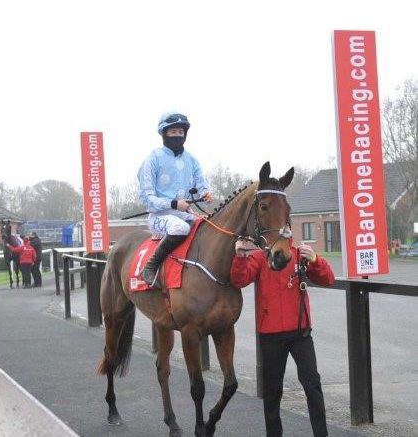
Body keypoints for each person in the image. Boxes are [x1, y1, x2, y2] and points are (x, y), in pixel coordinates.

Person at [230, 239, 335, 437]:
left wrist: (315, 259)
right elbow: (239, 280)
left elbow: (328, 279)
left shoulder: (299, 254)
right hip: (271, 334)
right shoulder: (260, 256)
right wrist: (240, 257)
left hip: (300, 332)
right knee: (272, 391)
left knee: (312, 385)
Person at [137, 111, 213, 286]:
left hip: (186, 213)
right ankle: (150, 266)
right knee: (179, 228)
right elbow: (147, 199)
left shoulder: (192, 160)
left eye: (181, 132)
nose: (178, 136)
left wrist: (206, 193)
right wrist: (174, 203)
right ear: (164, 134)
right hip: (159, 216)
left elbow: (202, 184)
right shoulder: (153, 159)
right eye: (173, 132)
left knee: (208, 226)